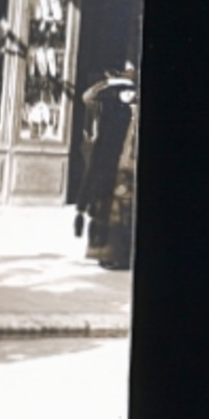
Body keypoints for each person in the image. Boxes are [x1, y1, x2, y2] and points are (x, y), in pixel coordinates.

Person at [75, 66, 138, 270]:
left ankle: (122, 257)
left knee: (124, 214)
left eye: (132, 90)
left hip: (129, 168)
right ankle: (104, 254)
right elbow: (88, 98)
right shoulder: (110, 108)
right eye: (125, 90)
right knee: (106, 211)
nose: (129, 94)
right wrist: (109, 84)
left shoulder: (137, 111)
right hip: (108, 165)